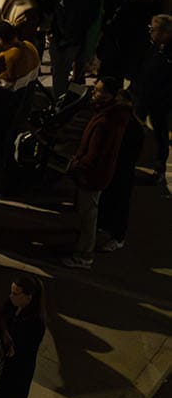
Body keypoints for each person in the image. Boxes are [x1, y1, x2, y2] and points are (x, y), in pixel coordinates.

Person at [63, 77, 131, 268]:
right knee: (88, 213)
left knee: (88, 216)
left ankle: (84, 256)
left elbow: (94, 155)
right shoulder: (111, 115)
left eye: (98, 90)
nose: (94, 91)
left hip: (91, 176)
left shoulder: (105, 121)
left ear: (109, 95)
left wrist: (76, 166)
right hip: (96, 174)